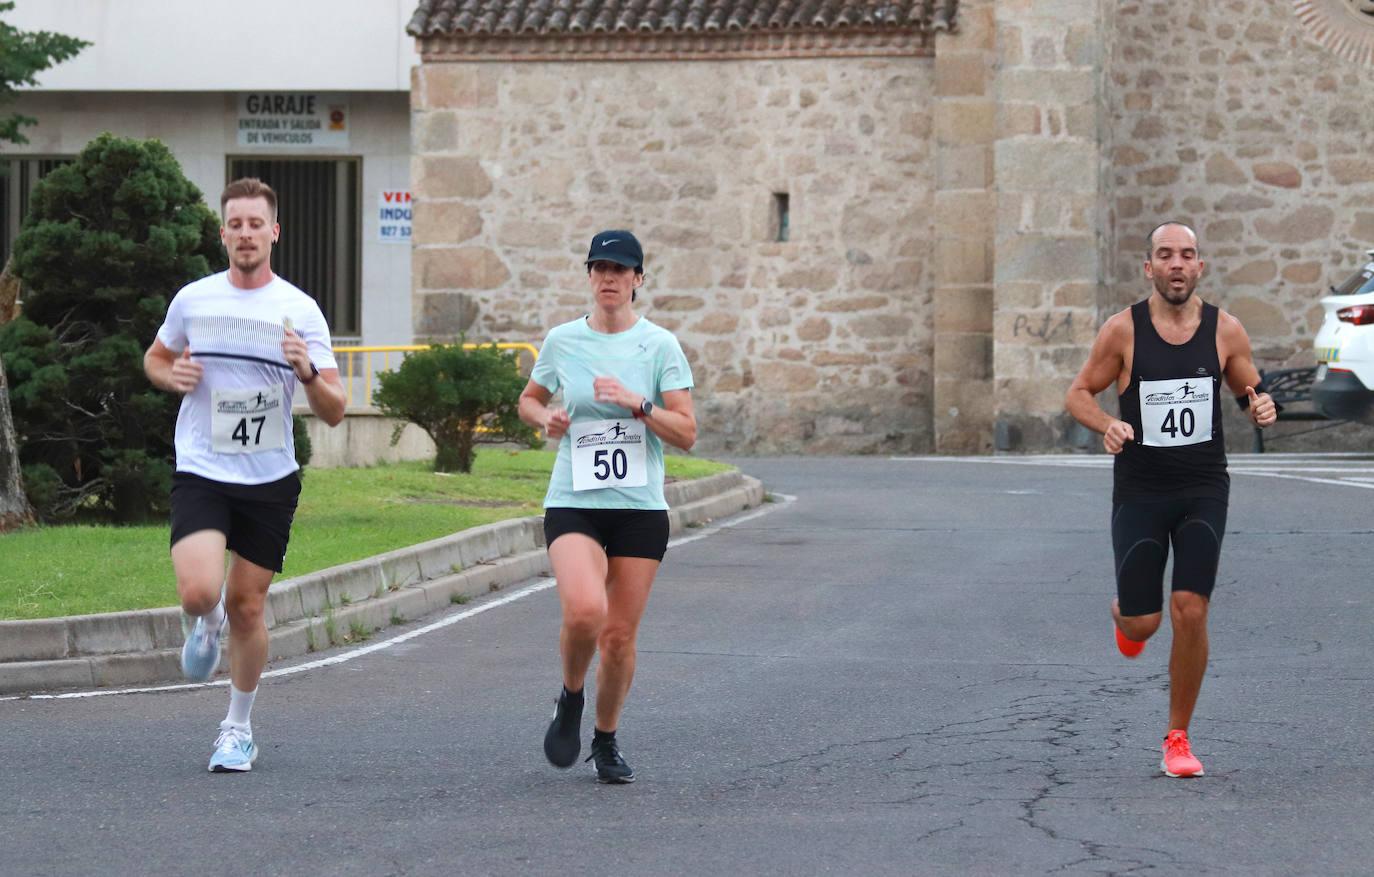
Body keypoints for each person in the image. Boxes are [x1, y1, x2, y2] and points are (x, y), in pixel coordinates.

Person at [143, 178, 346, 772]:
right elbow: (156, 357)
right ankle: (206, 624)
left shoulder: (300, 310)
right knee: (201, 592)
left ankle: (237, 727)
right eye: (236, 224)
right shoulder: (194, 300)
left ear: (274, 232)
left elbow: (334, 409)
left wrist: (307, 371)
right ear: (223, 232)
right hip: (204, 468)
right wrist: (169, 375)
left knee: (249, 606)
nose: (246, 234)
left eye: (257, 224)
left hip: (269, 478)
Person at [1065, 221, 1276, 778]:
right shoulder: (1123, 331)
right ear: (1150, 268)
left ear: (1200, 266)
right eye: (1166, 255)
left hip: (1204, 487)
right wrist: (1107, 423)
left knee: (1191, 607)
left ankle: (1177, 738)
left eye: (1187, 255)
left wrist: (1259, 406)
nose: (1177, 264)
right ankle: (1123, 616)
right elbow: (1078, 392)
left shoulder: (1225, 330)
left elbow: (1248, 385)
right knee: (1144, 624)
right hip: (1141, 490)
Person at [518, 230, 696, 784]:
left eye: (620, 270)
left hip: (639, 509)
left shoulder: (660, 345)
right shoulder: (563, 340)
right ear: (589, 276)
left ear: (639, 279)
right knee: (584, 612)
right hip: (574, 500)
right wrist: (543, 419)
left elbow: (687, 432)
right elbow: (529, 399)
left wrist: (638, 404)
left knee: (618, 638)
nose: (609, 278)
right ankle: (571, 696)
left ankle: (606, 737)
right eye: (599, 268)